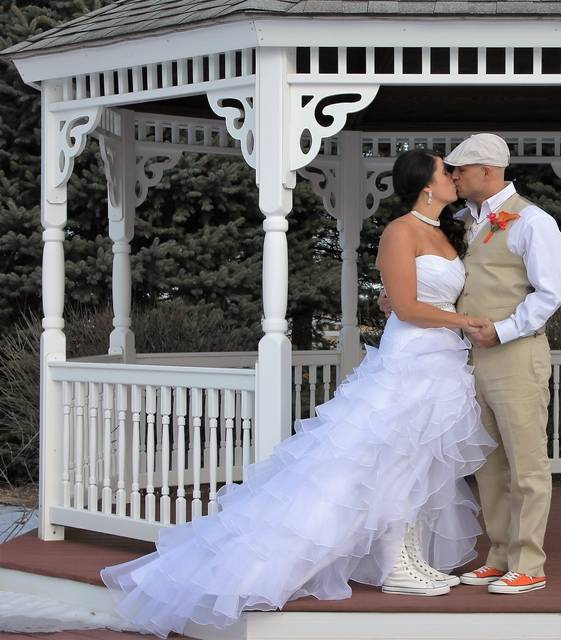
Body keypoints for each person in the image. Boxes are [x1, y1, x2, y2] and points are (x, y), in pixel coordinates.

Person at [100, 149, 497, 638]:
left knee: (416, 464)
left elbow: (408, 296)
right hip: (410, 359)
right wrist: (464, 321)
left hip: (440, 362)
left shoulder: (442, 231)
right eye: (444, 171)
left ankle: (408, 557)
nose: (454, 177)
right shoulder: (401, 230)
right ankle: (394, 565)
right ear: (425, 184)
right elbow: (409, 308)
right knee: (388, 463)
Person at [381, 134, 561, 594]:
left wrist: (501, 330)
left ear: (486, 171)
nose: (455, 177)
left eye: (460, 170)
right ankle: (499, 554)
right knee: (488, 464)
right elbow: (438, 278)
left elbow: (550, 294)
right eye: (450, 171)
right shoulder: (463, 222)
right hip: (467, 360)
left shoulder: (533, 222)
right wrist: (398, 296)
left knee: (526, 464)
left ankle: (529, 563)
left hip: (515, 355)